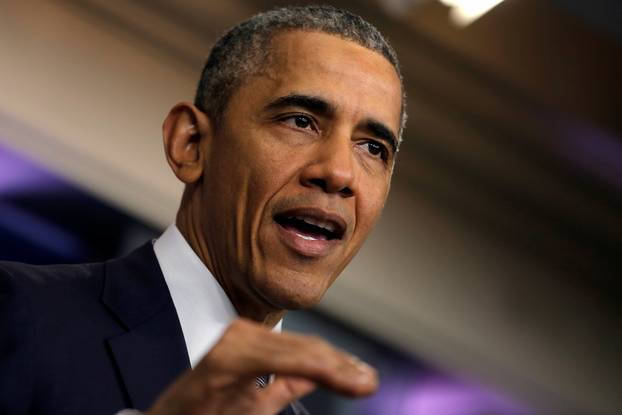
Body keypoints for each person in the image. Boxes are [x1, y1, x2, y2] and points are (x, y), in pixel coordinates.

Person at [0, 5, 406, 415]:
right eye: (300, 121)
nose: (339, 173)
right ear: (190, 144)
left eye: (373, 148)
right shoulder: (16, 311)